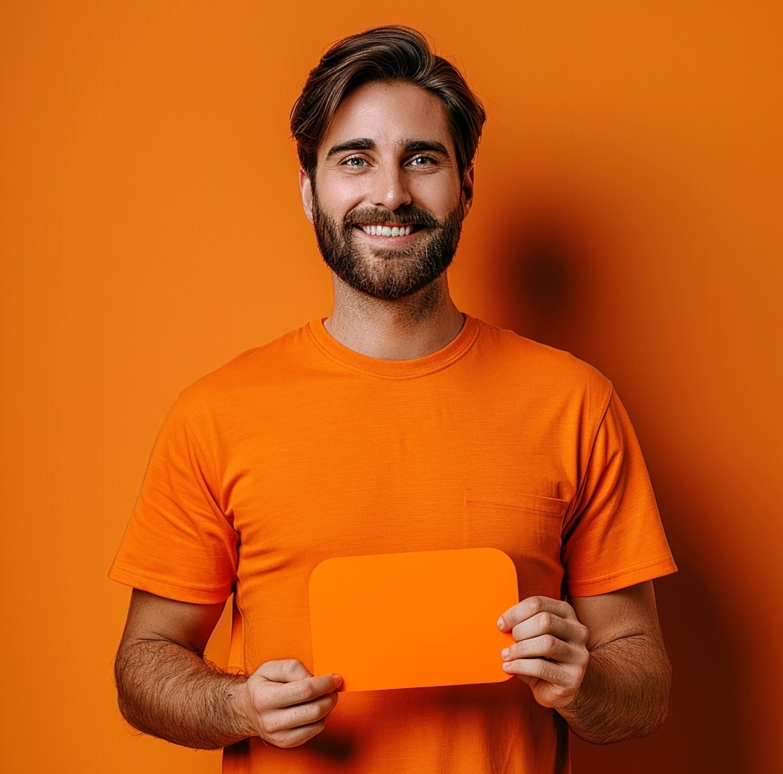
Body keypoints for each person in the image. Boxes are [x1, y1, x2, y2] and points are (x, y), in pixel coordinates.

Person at [110, 25, 677, 774]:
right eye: (354, 160)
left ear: (464, 184)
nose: (390, 192)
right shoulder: (215, 413)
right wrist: (237, 704)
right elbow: (143, 663)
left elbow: (642, 686)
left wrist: (585, 680)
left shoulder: (574, 401)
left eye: (422, 158)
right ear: (310, 189)